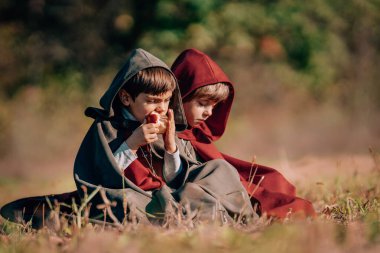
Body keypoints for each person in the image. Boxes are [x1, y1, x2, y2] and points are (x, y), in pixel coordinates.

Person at [1, 49, 256, 228]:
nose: (160, 107)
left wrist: (170, 148)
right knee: (128, 205)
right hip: (133, 197)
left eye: (166, 101)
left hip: (170, 194)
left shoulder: (170, 126)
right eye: (152, 101)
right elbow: (100, 177)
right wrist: (132, 143)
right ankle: (191, 212)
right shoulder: (106, 128)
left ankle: (193, 210)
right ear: (126, 98)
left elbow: (177, 178)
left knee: (219, 168)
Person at [171, 48, 316, 219]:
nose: (209, 112)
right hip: (200, 189)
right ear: (181, 96)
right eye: (202, 104)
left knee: (272, 180)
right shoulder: (162, 132)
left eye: (214, 106)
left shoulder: (196, 135)